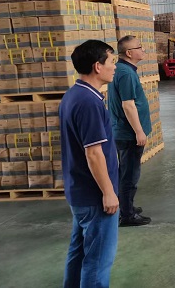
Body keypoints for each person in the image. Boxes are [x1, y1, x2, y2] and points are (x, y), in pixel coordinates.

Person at [59, 40, 119, 287]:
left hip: (80, 190)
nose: (115, 67)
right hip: (95, 196)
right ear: (97, 66)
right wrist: (108, 192)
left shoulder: (74, 94)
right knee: (98, 260)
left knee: (79, 251)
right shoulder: (89, 102)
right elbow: (94, 154)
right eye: (112, 61)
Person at [108, 35, 152, 227]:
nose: (143, 50)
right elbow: (128, 105)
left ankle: (127, 206)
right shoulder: (126, 73)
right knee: (129, 175)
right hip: (128, 134)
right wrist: (139, 132)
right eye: (139, 47)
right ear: (129, 53)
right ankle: (127, 215)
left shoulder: (122, 69)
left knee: (126, 171)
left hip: (123, 132)